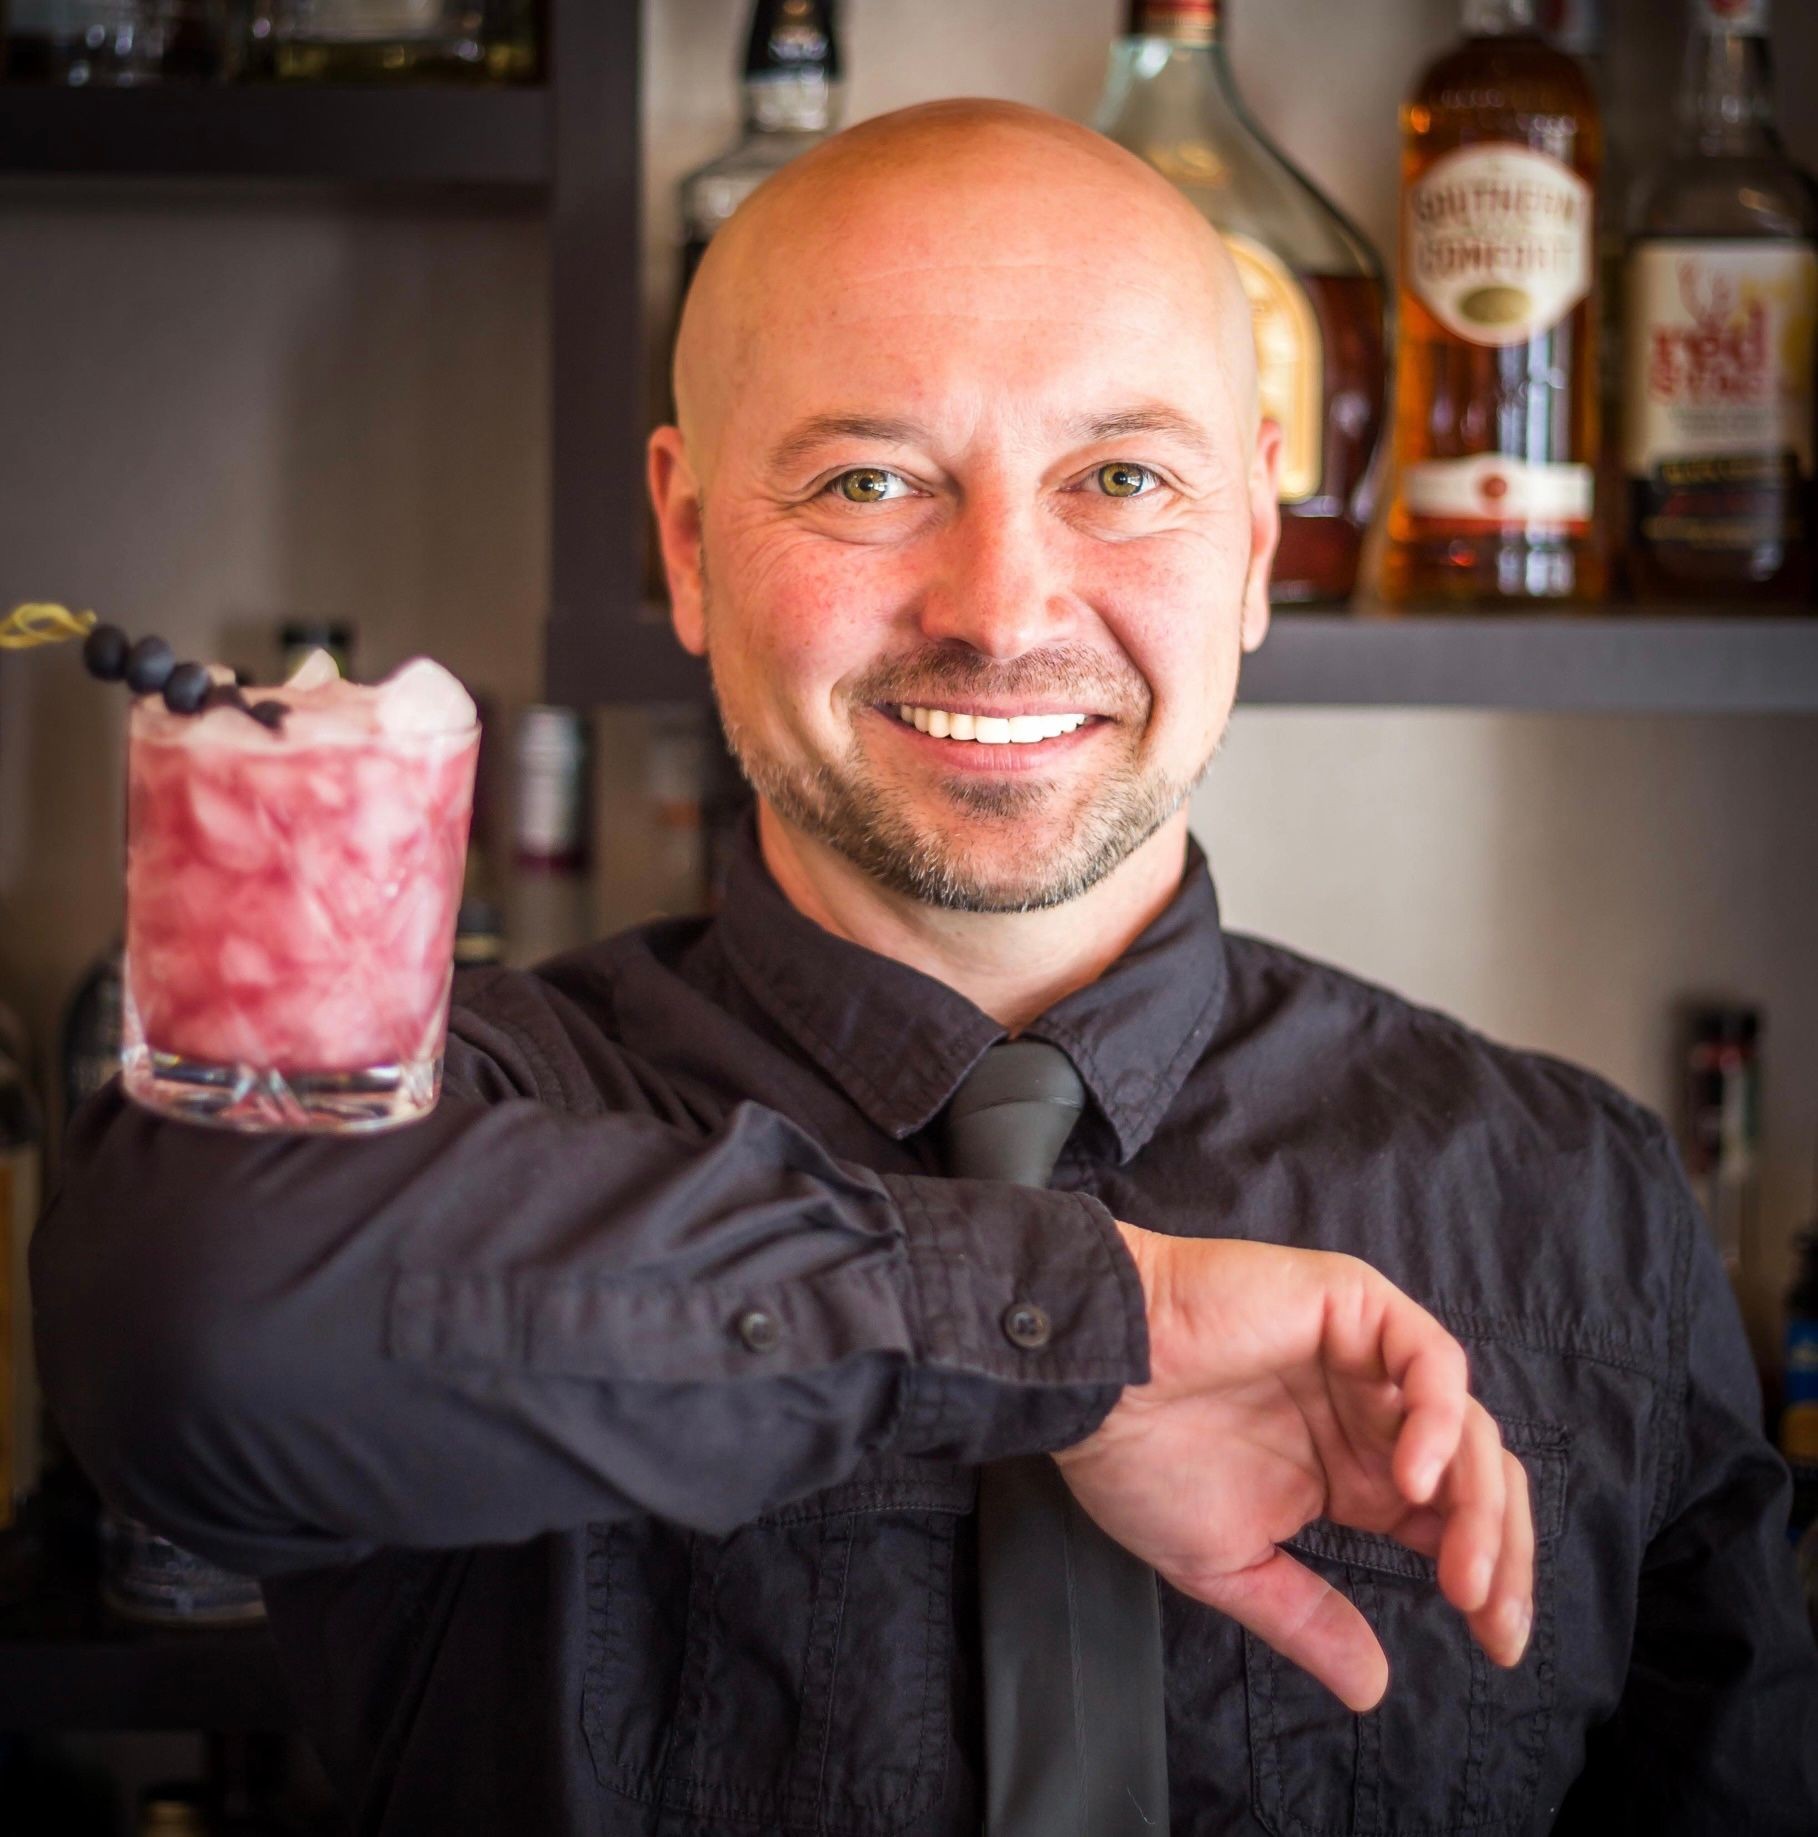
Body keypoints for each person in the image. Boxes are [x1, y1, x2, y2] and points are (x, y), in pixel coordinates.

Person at [31, 99, 1817, 1836]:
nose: (1004, 604)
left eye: (1119, 477)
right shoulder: (444, 1106)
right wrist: (1092, 1328)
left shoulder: (1575, 1198)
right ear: (685, 540)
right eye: (870, 479)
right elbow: (184, 1335)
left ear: (1257, 543)